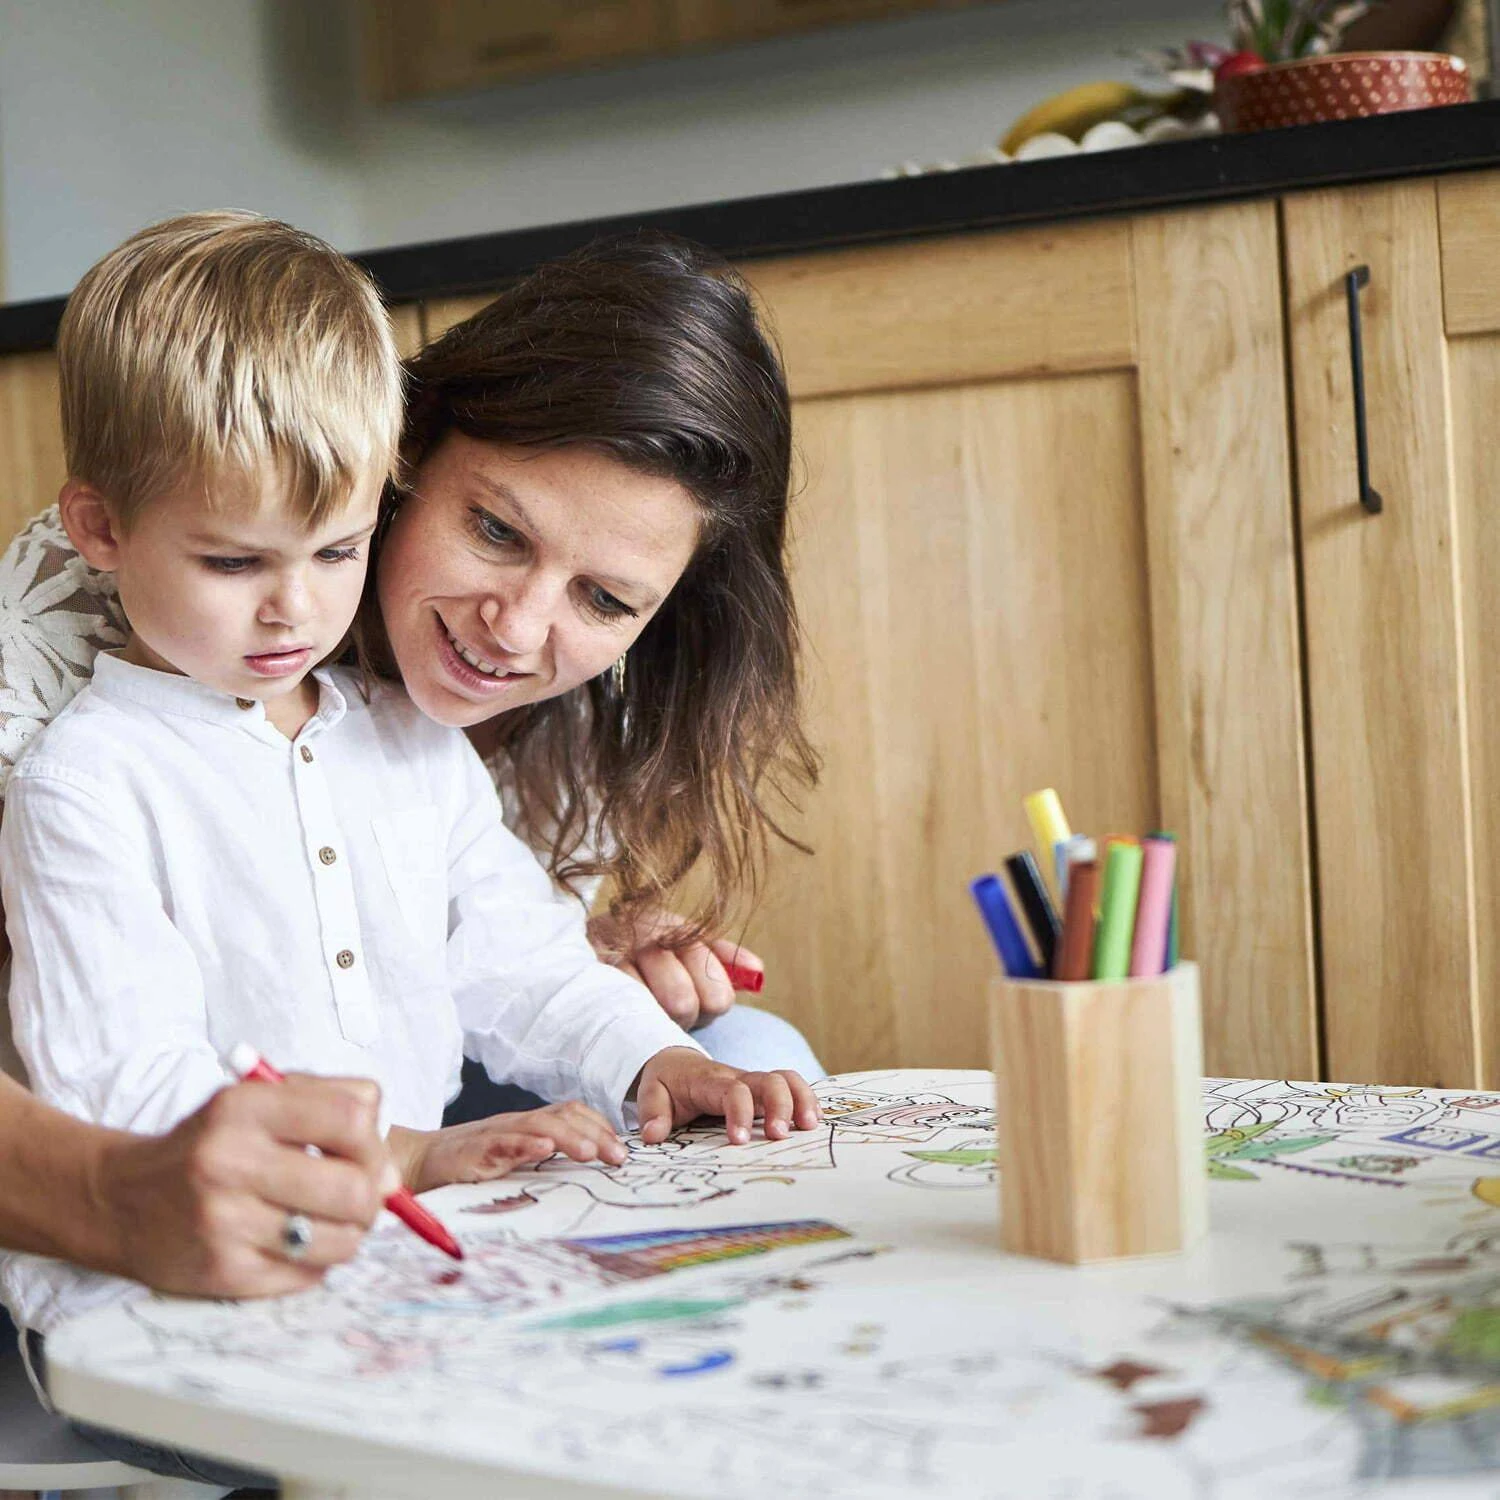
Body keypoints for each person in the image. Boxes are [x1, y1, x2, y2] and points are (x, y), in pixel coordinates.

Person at [0, 211, 818, 1343]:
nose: (291, 606)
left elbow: (512, 954)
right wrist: (410, 1158)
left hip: (402, 1219)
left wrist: (655, 1053)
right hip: (188, 1276)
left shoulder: (400, 740)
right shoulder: (79, 772)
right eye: (494, 529)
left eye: (333, 552)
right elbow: (124, 1079)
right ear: (410, 473)